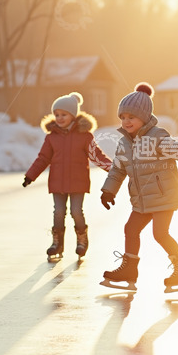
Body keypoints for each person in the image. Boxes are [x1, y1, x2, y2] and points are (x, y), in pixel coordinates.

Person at [99, 83, 178, 292]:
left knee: (160, 234)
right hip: (142, 199)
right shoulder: (124, 144)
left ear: (144, 117)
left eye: (131, 117)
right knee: (131, 229)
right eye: (123, 117)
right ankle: (129, 270)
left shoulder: (156, 135)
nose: (126, 122)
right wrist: (108, 190)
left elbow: (176, 148)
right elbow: (118, 169)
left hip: (163, 196)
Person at [23, 92, 112, 260]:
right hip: (57, 182)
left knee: (76, 211)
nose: (59, 118)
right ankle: (57, 243)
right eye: (56, 114)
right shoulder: (52, 138)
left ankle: (81, 239)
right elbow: (43, 158)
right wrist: (30, 176)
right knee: (58, 212)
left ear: (73, 115)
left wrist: (112, 169)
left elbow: (96, 155)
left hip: (78, 182)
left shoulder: (85, 136)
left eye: (63, 114)